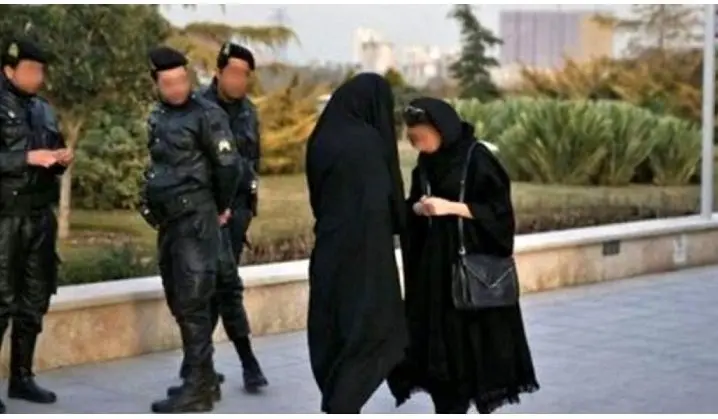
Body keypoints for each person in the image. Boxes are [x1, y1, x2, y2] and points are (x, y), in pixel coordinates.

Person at [387, 97, 539, 414]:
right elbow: (413, 203)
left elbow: (499, 214)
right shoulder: (426, 163)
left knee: (467, 352)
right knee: (438, 359)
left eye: (422, 136)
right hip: (434, 275)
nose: (418, 144)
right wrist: (418, 208)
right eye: (413, 139)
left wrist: (452, 207)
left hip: (468, 272)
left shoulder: (477, 158)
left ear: (442, 129)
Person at [139, 46, 242, 413]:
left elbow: (229, 166)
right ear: (156, 83)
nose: (177, 88)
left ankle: (197, 388)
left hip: (196, 220)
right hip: (170, 221)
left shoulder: (206, 114)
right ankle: (205, 378)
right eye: (168, 83)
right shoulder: (159, 114)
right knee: (179, 300)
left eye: (181, 80)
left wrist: (219, 206)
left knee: (193, 302)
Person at [166, 41, 267, 396]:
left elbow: (251, 163)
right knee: (221, 289)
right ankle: (245, 362)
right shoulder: (199, 109)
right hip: (205, 214)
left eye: (245, 74)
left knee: (220, 289)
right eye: (234, 72)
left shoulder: (249, 112)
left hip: (235, 214)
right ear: (219, 72)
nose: (239, 80)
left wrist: (245, 209)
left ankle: (197, 366)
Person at [304, 73, 408, 414]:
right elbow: (382, 200)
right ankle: (343, 403)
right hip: (366, 253)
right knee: (373, 331)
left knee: (334, 331)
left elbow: (318, 197)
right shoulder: (368, 142)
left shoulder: (321, 137)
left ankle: (337, 397)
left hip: (329, 247)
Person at [0, 37, 71, 413]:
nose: (37, 77)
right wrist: (25, 157)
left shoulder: (43, 109)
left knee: (34, 301)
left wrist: (60, 158)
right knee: (1, 302)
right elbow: (21, 158)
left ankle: (22, 378)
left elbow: (52, 153)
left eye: (40, 70)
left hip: (40, 217)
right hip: (5, 219)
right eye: (30, 70)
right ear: (8, 70)